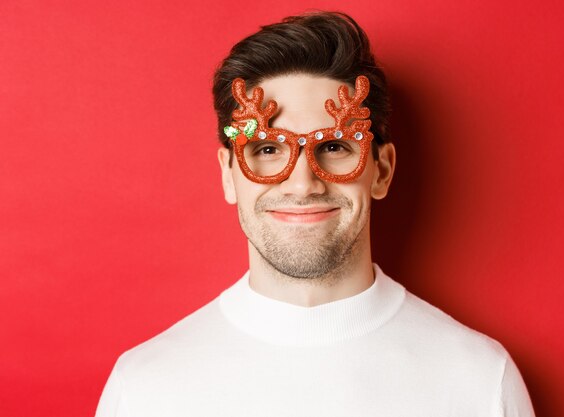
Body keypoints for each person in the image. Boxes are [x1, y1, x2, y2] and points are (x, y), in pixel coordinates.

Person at [95, 11, 535, 417]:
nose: (303, 184)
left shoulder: (479, 381)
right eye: (267, 149)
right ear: (229, 175)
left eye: (335, 147)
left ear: (381, 171)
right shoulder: (145, 389)